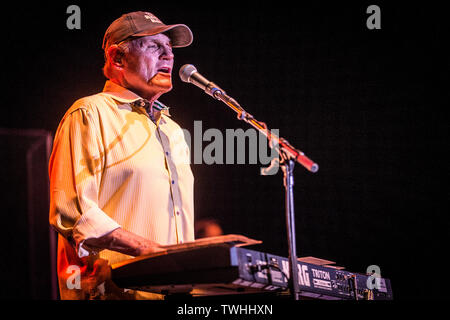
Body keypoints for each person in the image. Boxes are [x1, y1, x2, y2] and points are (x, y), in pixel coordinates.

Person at [48, 11, 195, 300]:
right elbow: (74, 212)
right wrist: (151, 252)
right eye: (154, 46)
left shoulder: (174, 131)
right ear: (117, 58)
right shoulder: (89, 113)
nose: (169, 55)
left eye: (170, 47)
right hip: (111, 293)